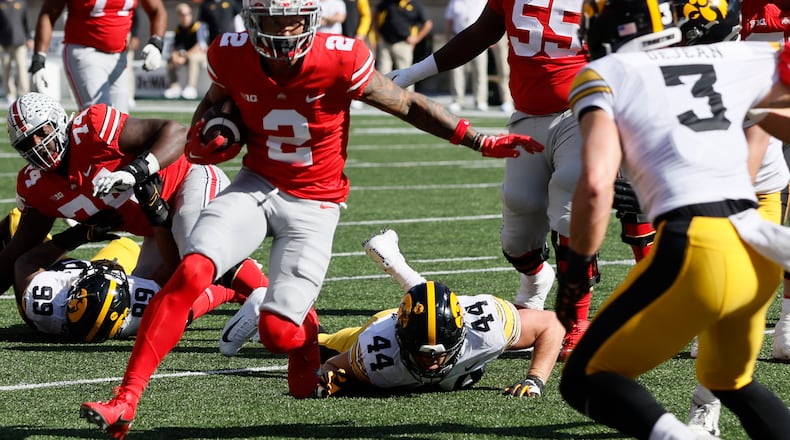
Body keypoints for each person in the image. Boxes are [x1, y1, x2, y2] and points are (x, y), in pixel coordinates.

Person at [78, 0, 544, 435]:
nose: (281, 30)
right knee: (191, 270)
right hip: (256, 184)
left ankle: (303, 327)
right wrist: (210, 133)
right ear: (251, 17)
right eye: (271, 19)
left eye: (290, 19)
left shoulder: (342, 57)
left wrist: (478, 140)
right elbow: (211, 108)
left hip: (314, 203)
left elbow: (406, 104)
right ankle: (127, 399)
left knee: (278, 335)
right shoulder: (231, 52)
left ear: (310, 18)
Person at [556, 0, 790, 437]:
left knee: (584, 378)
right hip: (759, 247)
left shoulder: (606, 72)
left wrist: (573, 277)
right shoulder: (731, 56)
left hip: (699, 244)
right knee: (732, 382)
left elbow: (594, 183)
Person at [386, 0, 594, 360]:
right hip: (528, 114)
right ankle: (536, 279)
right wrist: (412, 74)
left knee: (569, 211)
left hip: (584, 111)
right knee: (517, 230)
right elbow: (480, 34)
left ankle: (574, 320)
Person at [2, 92, 266, 302]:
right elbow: (17, 252)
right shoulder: (36, 185)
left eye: (42, 132)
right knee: (142, 297)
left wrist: (135, 171)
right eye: (27, 143)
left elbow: (175, 131)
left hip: (189, 180)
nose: (37, 145)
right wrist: (78, 235)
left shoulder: (91, 129)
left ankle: (268, 299)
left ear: (58, 122)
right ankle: (230, 288)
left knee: (193, 244)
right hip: (157, 227)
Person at [312, 229, 565, 397]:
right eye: (423, 354)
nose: (432, 362)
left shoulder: (489, 330)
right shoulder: (376, 351)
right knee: (315, 343)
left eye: (439, 353)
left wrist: (535, 380)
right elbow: (332, 366)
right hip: (383, 323)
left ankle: (395, 262)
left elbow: (551, 325)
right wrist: (335, 380)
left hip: (452, 316)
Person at [13, 214, 265, 343]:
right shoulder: (139, 307)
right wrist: (158, 220)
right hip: (128, 298)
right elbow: (176, 266)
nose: (109, 266)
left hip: (67, 279)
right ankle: (248, 291)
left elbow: (25, 263)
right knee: (180, 305)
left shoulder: (44, 304)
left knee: (16, 219)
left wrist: (80, 234)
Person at [29, 0, 167, 113]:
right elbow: (48, 13)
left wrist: (156, 42)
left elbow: (157, 10)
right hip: (85, 52)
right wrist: (39, 60)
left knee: (122, 121)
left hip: (119, 56)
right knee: (100, 119)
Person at [373, 0, 433, 90]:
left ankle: (408, 102)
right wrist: (377, 32)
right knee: (383, 74)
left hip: (403, 44)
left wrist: (416, 39)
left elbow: (428, 24)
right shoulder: (390, 2)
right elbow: (376, 12)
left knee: (406, 76)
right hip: (386, 42)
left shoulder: (416, 5)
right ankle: (383, 101)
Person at [444, 0, 488, 112]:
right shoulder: (454, 1)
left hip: (479, 39)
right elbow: (449, 21)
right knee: (456, 71)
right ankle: (457, 100)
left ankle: (480, 100)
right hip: (458, 38)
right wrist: (447, 40)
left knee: (479, 71)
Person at [163, 3, 209, 100]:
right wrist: (175, 55)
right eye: (183, 15)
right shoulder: (178, 29)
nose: (186, 17)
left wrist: (184, 57)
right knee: (170, 59)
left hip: (200, 54)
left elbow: (199, 45)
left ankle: (191, 87)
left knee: (193, 58)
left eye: (188, 14)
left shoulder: (198, 26)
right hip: (185, 55)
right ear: (178, 16)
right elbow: (175, 46)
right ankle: (174, 87)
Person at [0, 0, 31, 105]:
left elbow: (26, 22)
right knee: (5, 69)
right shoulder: (1, 4)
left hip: (20, 43)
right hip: (4, 44)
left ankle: (24, 94)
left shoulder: (21, 3)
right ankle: (9, 94)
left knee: (21, 68)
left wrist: (29, 38)